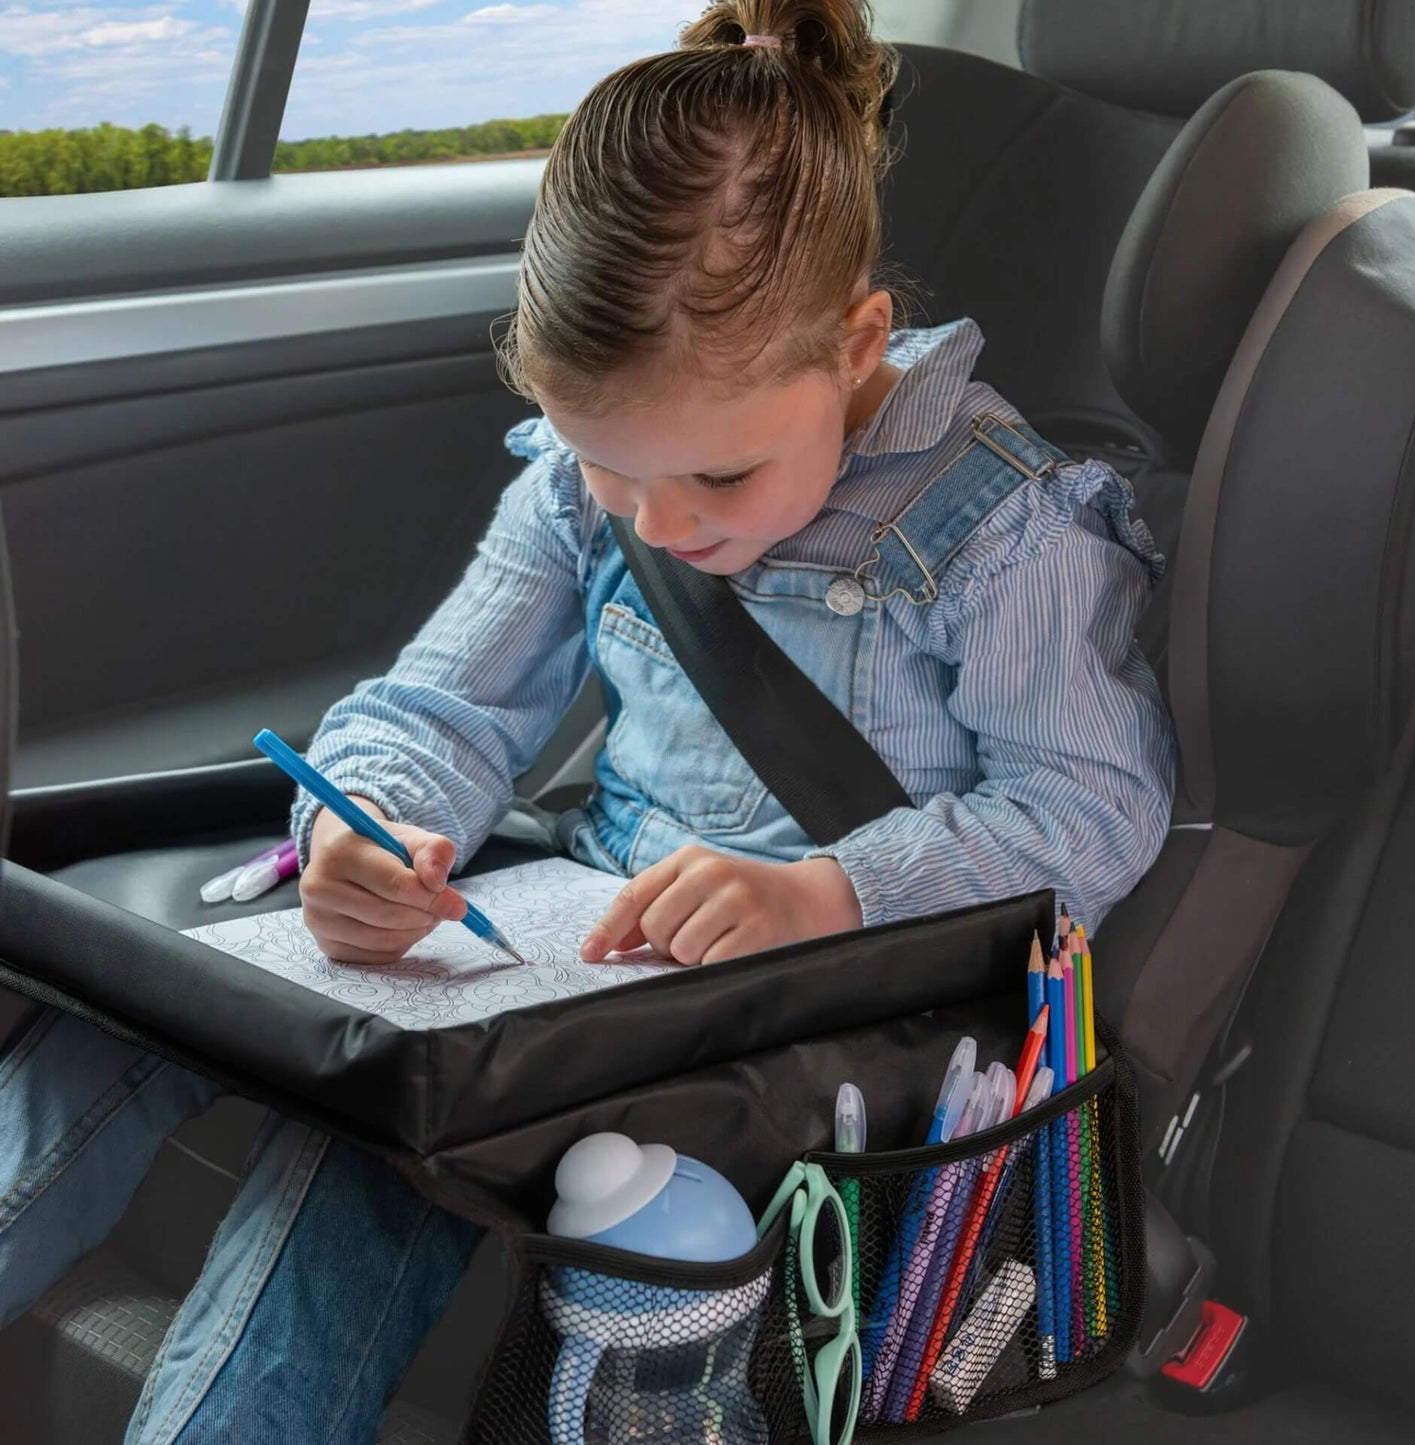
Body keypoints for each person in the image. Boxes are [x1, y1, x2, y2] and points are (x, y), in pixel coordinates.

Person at [0, 1, 1175, 1438]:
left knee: (381, 1146)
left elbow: (1090, 814)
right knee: (122, 1009)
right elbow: (438, 701)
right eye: (611, 475)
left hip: (813, 1011)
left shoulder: (1002, 530)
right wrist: (368, 821)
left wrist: (828, 891)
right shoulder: (585, 482)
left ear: (860, 338)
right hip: (579, 954)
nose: (661, 527)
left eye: (721, 481)